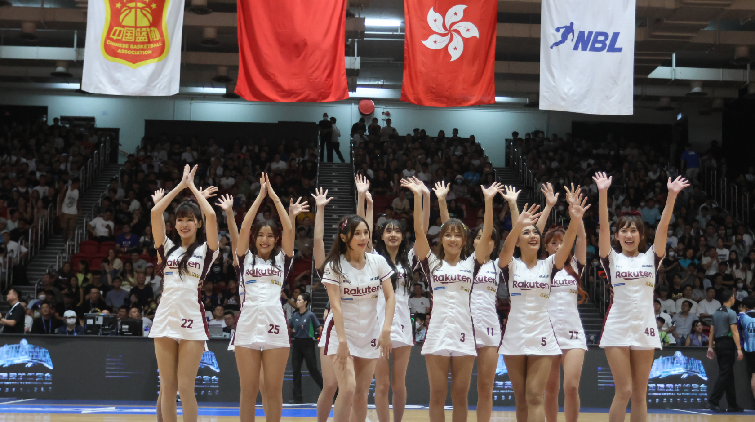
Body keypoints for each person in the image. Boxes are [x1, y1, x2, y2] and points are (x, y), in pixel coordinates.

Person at [403, 177, 500, 422]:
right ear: (442, 238)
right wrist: (417, 197)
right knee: (437, 394)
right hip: (436, 332)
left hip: (465, 333)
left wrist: (488, 201)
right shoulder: (432, 263)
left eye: (458, 235)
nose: (453, 239)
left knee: (460, 394)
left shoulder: (472, 263)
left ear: (465, 241)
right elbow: (418, 231)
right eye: (448, 235)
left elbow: (487, 232)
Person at [594, 172, 688, 422]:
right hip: (617, 327)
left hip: (645, 328)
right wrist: (603, 193)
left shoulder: (651, 258)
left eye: (634, 230)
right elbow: (603, 225)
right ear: (617, 236)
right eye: (624, 230)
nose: (628, 234)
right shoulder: (611, 258)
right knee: (623, 391)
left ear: (641, 236)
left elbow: (664, 225)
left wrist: (671, 196)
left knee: (639, 394)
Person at [500, 191, 588, 422]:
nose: (532, 236)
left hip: (542, 334)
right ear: (519, 239)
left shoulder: (549, 264)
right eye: (526, 233)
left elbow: (568, 243)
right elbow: (506, 249)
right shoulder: (510, 264)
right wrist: (517, 222)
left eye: (535, 233)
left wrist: (575, 219)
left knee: (534, 396)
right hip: (514, 336)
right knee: (520, 399)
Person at [149, 164, 220, 422]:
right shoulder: (166, 248)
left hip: (192, 322)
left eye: (190, 219)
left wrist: (192, 189)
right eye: (180, 219)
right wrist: (181, 185)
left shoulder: (206, 251)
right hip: (165, 319)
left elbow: (212, 217)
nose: (184, 223)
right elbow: (156, 212)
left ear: (197, 223)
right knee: (167, 388)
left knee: (185, 388)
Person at [229, 174, 301, 422]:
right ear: (255, 238)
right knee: (248, 392)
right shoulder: (244, 259)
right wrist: (260, 196)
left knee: (273, 391)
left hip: (276, 326)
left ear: (276, 239)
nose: (265, 239)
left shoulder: (283, 260)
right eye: (261, 235)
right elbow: (244, 226)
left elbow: (289, 228)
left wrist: (275, 199)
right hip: (247, 326)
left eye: (270, 235)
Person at [321, 211, 395, 422]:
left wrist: (386, 329)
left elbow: (390, 297)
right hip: (342, 334)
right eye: (357, 234)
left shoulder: (378, 261)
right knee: (348, 389)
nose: (363, 238)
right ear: (345, 238)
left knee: (362, 396)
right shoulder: (334, 266)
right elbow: (335, 306)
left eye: (366, 233)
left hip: (370, 333)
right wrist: (342, 341)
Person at [355, 175, 417, 422]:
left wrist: (421, 196)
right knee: (381, 384)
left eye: (397, 231)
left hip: (402, 321)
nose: (393, 234)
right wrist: (362, 197)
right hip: (377, 322)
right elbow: (361, 229)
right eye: (388, 230)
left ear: (403, 236)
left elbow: (421, 230)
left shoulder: (410, 259)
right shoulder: (373, 258)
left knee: (398, 384)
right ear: (380, 236)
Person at [540, 184, 588, 422]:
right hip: (546, 333)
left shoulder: (575, 266)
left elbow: (581, 238)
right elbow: (533, 236)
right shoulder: (539, 268)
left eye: (561, 242)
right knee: (550, 389)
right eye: (553, 243)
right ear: (545, 246)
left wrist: (575, 213)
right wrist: (548, 207)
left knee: (570, 387)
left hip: (573, 332)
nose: (558, 246)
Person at [311, 188, 339, 422]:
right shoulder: (331, 267)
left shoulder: (370, 262)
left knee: (355, 386)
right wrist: (320, 209)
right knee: (330, 384)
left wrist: (363, 200)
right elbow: (318, 240)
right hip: (336, 326)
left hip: (363, 325)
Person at [707, 289, 744, 412]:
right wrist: (739, 349)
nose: (734, 299)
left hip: (718, 344)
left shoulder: (715, 313)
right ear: (730, 298)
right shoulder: (731, 312)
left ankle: (732, 404)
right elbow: (734, 332)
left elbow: (711, 332)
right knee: (724, 373)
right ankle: (713, 401)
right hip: (727, 344)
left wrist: (710, 347)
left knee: (728, 374)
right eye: (733, 297)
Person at [289, 292, 323, 404]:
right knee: (296, 370)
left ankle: (329, 392)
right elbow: (290, 328)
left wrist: (321, 337)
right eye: (297, 300)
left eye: (299, 300)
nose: (297, 301)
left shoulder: (310, 315)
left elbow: (319, 328)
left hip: (308, 343)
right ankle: (297, 398)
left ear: (305, 302)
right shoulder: (294, 315)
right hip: (297, 343)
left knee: (313, 369)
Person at [737, 296, 755, 402]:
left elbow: (738, 333)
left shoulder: (741, 317)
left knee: (754, 375)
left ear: (744, 306)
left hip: (751, 349)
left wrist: (741, 345)